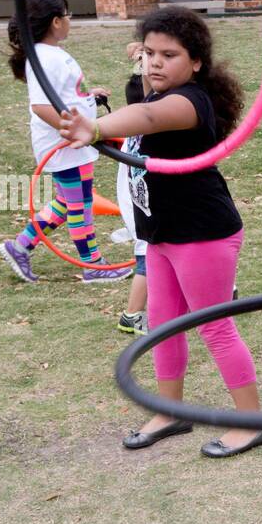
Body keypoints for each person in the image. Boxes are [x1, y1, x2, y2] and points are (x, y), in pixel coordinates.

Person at [58, 7, 262, 459]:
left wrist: (95, 127)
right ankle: (170, 409)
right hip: (161, 233)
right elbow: (139, 103)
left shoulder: (189, 102)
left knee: (213, 326)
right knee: (162, 323)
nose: (155, 63)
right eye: (149, 53)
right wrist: (109, 106)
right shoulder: (154, 92)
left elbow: (149, 120)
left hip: (203, 234)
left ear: (195, 63)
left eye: (169, 55)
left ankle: (253, 422)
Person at [0, 0, 131, 284]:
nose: (71, 21)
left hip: (72, 142)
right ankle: (93, 265)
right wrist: (71, 130)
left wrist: (88, 96)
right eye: (68, 15)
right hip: (65, 144)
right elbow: (41, 105)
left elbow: (64, 94)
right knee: (80, 205)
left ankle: (19, 247)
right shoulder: (45, 58)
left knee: (66, 201)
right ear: (56, 22)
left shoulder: (51, 54)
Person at [116, 41, 150, 334]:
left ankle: (224, 292)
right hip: (143, 211)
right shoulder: (143, 138)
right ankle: (131, 315)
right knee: (148, 261)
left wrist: (141, 56)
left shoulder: (137, 134)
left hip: (147, 209)